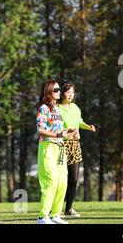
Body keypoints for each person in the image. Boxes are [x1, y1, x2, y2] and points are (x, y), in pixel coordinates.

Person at [36, 79, 77, 224]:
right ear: (48, 92)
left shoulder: (57, 110)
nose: (59, 92)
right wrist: (60, 135)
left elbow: (58, 130)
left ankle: (55, 215)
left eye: (59, 89)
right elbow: (40, 130)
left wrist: (68, 132)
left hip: (60, 148)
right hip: (47, 148)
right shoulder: (43, 108)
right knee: (51, 182)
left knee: (62, 182)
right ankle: (43, 217)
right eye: (56, 90)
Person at [58, 80, 96, 218]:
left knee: (73, 178)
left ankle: (69, 208)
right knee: (61, 179)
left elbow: (79, 121)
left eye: (72, 92)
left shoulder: (75, 107)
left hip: (74, 145)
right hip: (61, 145)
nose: (71, 95)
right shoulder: (56, 108)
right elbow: (54, 127)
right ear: (62, 93)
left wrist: (88, 127)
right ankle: (56, 208)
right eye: (68, 92)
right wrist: (66, 130)